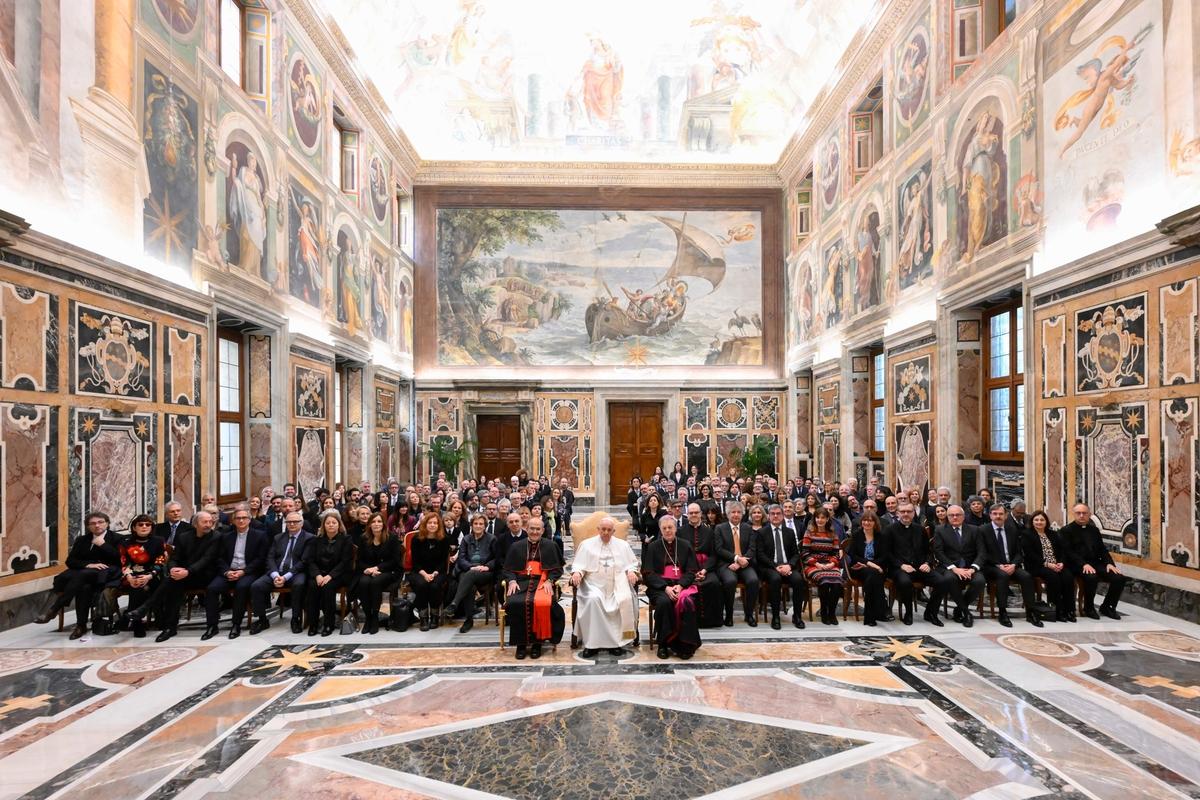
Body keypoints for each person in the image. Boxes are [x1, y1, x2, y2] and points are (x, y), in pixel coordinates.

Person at [35, 511, 121, 639]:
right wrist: (88, 565)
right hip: (85, 575)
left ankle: (55, 609)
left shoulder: (117, 538)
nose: (97, 525)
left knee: (81, 577)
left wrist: (103, 545)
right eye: (93, 523)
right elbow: (70, 561)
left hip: (106, 573)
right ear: (88, 526)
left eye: (100, 522)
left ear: (107, 523)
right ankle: (81, 626)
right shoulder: (82, 540)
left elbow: (120, 559)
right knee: (84, 587)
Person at [570, 516, 639, 657]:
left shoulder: (623, 545)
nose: (606, 532)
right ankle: (591, 645)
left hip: (617, 584)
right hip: (592, 585)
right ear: (598, 529)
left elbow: (631, 563)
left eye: (609, 530)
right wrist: (577, 573)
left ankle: (615, 644)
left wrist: (631, 571)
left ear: (614, 531)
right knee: (593, 600)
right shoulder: (586, 545)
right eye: (603, 529)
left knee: (623, 599)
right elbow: (579, 565)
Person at [145, 510, 218, 642]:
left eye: (210, 522)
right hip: (186, 574)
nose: (208, 524)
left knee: (210, 588)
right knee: (172, 583)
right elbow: (174, 557)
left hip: (207, 575)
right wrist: (173, 568)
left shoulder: (216, 537)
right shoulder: (184, 537)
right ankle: (170, 627)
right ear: (195, 524)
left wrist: (187, 571)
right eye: (205, 522)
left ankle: (212, 626)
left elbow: (206, 560)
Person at [503, 516, 564, 660]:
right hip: (521, 582)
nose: (535, 532)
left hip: (542, 583)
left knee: (542, 603)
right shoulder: (516, 546)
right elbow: (507, 569)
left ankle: (538, 643)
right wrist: (512, 581)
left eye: (538, 529)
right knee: (516, 603)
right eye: (532, 529)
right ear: (526, 529)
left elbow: (557, 569)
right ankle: (521, 644)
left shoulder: (551, 545)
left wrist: (550, 580)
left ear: (542, 530)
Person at [203, 505, 268, 640]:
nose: (241, 521)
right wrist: (227, 572)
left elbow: (260, 559)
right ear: (233, 521)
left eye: (244, 518)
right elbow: (219, 558)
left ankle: (236, 624)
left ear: (249, 520)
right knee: (212, 589)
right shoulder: (226, 537)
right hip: (229, 571)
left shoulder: (259, 536)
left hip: (248, 572)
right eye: (238, 518)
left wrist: (243, 572)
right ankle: (212, 625)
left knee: (241, 587)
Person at [643, 516, 701, 660]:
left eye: (670, 527)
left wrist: (680, 585)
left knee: (688, 602)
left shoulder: (685, 545)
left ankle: (685, 645)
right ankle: (663, 644)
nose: (668, 530)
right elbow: (648, 573)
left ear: (675, 528)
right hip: (660, 587)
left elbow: (692, 570)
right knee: (664, 602)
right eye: (664, 528)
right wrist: (665, 588)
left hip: (682, 585)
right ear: (660, 530)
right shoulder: (653, 547)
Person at [1060, 502, 1126, 619]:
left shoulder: (1094, 530)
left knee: (1119, 578)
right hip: (1076, 565)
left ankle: (1108, 607)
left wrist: (1109, 563)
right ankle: (1089, 608)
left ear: (1089, 514)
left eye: (1084, 513)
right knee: (1092, 577)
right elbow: (1068, 552)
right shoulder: (1066, 530)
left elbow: (1102, 549)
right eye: (1078, 513)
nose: (1081, 515)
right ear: (1073, 514)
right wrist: (1083, 564)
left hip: (1095, 563)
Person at [251, 511, 313, 634]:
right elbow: (270, 557)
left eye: (295, 522)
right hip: (277, 572)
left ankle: (295, 619)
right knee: (256, 585)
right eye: (289, 522)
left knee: (299, 585)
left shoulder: (309, 538)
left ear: (301, 523)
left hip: (296, 573)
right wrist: (275, 575)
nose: (292, 524)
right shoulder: (278, 537)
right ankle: (262, 620)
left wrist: (285, 577)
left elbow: (304, 561)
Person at [981, 503, 1040, 628]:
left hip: (1011, 565)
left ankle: (1031, 612)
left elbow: (1019, 552)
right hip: (992, 566)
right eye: (995, 514)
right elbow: (982, 553)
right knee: (1002, 576)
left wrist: (1014, 564)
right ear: (990, 515)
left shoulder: (1012, 529)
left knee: (1026, 577)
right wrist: (998, 565)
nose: (998, 516)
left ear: (1006, 515)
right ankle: (1002, 612)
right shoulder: (983, 530)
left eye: (1001, 514)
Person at [932, 505, 987, 628]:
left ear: (963, 516)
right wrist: (954, 568)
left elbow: (982, 552)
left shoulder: (974, 530)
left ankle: (959, 608)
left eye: (958, 515)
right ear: (947, 517)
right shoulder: (940, 530)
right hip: (950, 567)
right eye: (951, 515)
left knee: (980, 581)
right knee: (949, 579)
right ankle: (966, 612)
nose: (955, 517)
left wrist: (973, 568)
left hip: (970, 566)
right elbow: (939, 552)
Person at [887, 501, 940, 625]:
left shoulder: (920, 529)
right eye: (903, 511)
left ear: (913, 513)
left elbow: (928, 551)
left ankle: (930, 612)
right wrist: (901, 565)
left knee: (942, 581)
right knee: (905, 582)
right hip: (899, 568)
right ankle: (908, 613)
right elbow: (886, 553)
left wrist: (927, 563)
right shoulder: (890, 530)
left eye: (909, 511)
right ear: (898, 513)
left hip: (919, 567)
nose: (906, 514)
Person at [113, 514, 166, 638]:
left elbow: (160, 561)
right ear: (134, 527)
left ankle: (133, 618)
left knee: (145, 585)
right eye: (140, 524)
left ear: (151, 527)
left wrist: (150, 575)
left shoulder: (158, 541)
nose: (144, 527)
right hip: (131, 575)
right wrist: (129, 577)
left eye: (147, 525)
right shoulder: (125, 542)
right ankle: (138, 622)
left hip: (153, 574)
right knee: (137, 585)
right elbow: (124, 562)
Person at [756, 504, 807, 629]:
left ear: (783, 516)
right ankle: (776, 617)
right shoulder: (762, 532)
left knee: (798, 580)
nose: (775, 516)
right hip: (770, 567)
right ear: (768, 516)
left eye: (778, 513)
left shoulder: (789, 532)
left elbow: (796, 553)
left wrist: (789, 565)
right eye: (772, 514)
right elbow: (760, 554)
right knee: (775, 579)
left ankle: (797, 616)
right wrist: (776, 567)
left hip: (787, 566)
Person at [447, 512, 498, 633]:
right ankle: (469, 620)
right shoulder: (466, 539)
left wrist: (487, 567)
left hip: (485, 571)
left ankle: (454, 603)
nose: (478, 526)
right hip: (468, 570)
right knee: (470, 585)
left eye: (481, 524)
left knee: (468, 577)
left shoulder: (492, 539)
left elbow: (497, 558)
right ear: (472, 525)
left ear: (485, 526)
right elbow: (461, 559)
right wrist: (471, 567)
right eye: (476, 523)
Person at [1022, 510, 1076, 623]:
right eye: (1036, 520)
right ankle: (1056, 611)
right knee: (1053, 577)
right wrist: (1047, 564)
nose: (1039, 522)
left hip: (1056, 564)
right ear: (1032, 522)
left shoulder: (1053, 534)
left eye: (1042, 520)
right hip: (1038, 566)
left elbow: (1063, 550)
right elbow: (1029, 554)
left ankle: (1069, 610)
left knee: (1068, 577)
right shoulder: (1027, 534)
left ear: (1046, 522)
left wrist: (1061, 562)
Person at [305, 509, 352, 636]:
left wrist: (330, 576)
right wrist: (317, 575)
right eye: (328, 523)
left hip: (338, 574)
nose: (331, 525)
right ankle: (313, 624)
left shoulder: (346, 539)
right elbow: (311, 560)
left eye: (334, 522)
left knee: (328, 588)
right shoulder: (316, 540)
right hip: (319, 574)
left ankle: (328, 624)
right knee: (312, 586)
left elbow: (345, 562)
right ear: (323, 525)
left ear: (339, 524)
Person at [713, 501, 759, 627]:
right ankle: (729, 615)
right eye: (733, 512)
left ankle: (749, 615)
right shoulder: (719, 528)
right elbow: (719, 549)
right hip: (726, 564)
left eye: (739, 512)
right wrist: (736, 558)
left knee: (753, 580)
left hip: (745, 564)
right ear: (728, 514)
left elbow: (752, 549)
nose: (736, 515)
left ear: (742, 514)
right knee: (730, 581)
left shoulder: (748, 528)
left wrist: (740, 562)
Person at [679, 502, 724, 628]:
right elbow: (680, 554)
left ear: (700, 514)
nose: (693, 515)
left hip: (706, 567)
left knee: (714, 583)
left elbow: (713, 555)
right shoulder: (680, 531)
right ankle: (691, 621)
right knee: (687, 585)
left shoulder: (709, 531)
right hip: (687, 568)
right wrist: (692, 571)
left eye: (696, 512)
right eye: (691, 513)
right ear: (687, 515)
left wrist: (704, 570)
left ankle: (712, 621)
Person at [354, 512, 399, 634]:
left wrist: (377, 568)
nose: (376, 524)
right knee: (363, 583)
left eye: (379, 521)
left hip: (388, 571)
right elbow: (359, 560)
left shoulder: (392, 538)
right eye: (373, 522)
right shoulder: (363, 538)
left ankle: (375, 617)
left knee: (375, 582)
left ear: (383, 524)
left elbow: (395, 561)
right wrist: (368, 570)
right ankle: (368, 617)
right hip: (368, 570)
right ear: (369, 524)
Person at [847, 511, 892, 626]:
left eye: (870, 520)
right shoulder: (857, 535)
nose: (867, 523)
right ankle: (881, 610)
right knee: (873, 575)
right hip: (858, 568)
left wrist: (873, 565)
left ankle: (870, 616)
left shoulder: (881, 536)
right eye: (865, 520)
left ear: (875, 522)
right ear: (861, 522)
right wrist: (870, 564)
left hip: (877, 568)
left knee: (872, 577)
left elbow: (884, 556)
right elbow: (853, 555)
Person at [410, 511, 452, 631]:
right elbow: (415, 562)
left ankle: (434, 616)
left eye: (435, 523)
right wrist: (424, 574)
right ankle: (423, 617)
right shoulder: (416, 539)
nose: (432, 525)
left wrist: (434, 574)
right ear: (425, 524)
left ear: (439, 525)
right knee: (422, 585)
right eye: (430, 522)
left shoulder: (444, 539)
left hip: (438, 571)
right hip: (419, 571)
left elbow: (443, 562)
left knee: (434, 586)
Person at [802, 507, 844, 625]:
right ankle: (824, 612)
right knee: (824, 581)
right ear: (814, 519)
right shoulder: (809, 533)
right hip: (813, 564)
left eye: (823, 518)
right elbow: (804, 553)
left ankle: (832, 613)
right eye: (818, 517)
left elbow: (836, 553)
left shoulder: (832, 534)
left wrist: (832, 564)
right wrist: (817, 564)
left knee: (837, 583)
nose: (820, 520)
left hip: (829, 564)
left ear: (827, 519)